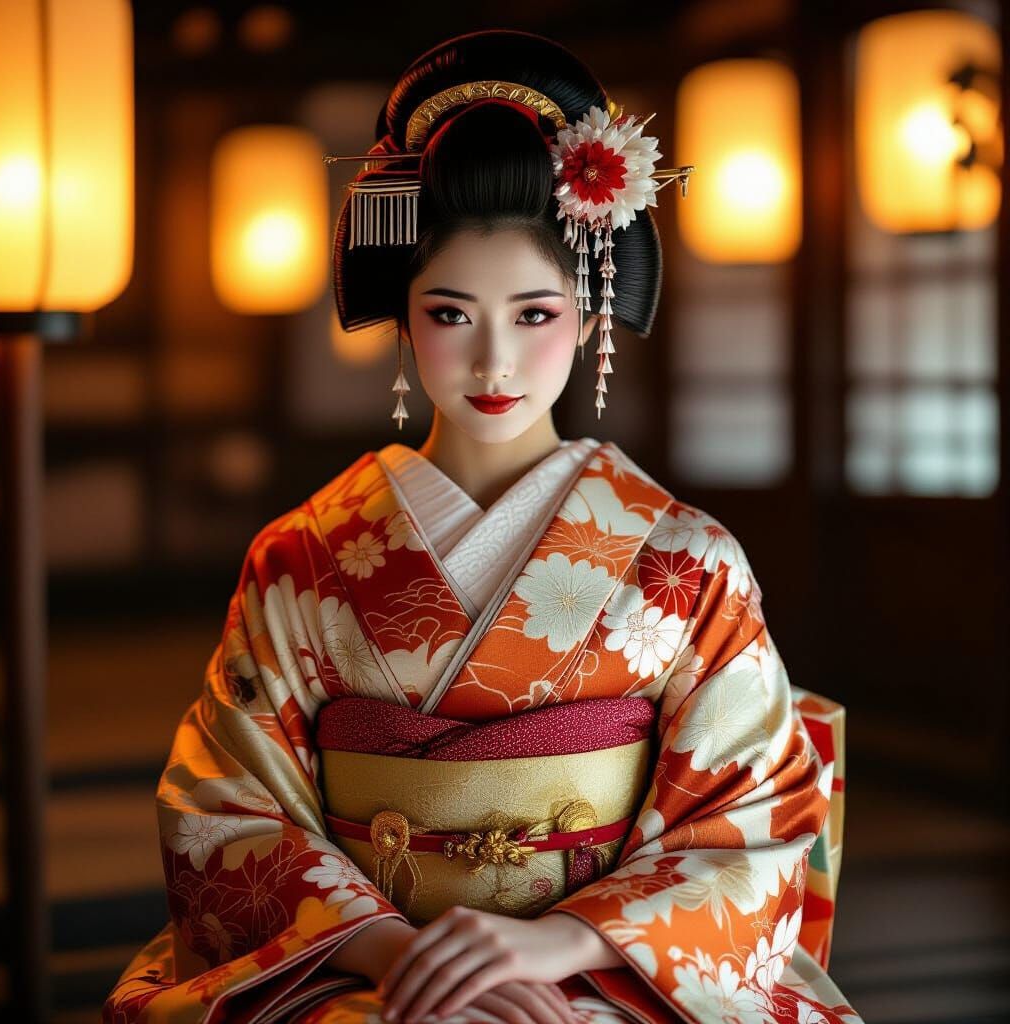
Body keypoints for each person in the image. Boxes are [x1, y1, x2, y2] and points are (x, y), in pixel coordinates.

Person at [105, 29, 862, 1024]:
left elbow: (756, 812)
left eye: (535, 314)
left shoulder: (686, 559)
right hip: (357, 964)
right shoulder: (301, 557)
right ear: (404, 319)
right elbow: (225, 807)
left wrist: (554, 944)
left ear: (591, 313)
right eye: (452, 313)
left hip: (602, 965)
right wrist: (406, 960)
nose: (494, 359)